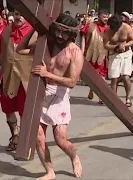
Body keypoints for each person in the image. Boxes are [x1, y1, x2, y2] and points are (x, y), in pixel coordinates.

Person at [16, 13, 83, 179]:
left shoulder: (75, 52)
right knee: (38, 136)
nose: (59, 35)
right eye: (57, 31)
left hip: (59, 96)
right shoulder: (46, 43)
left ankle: (74, 157)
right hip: (41, 92)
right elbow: (20, 49)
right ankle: (50, 171)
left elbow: (72, 82)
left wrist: (48, 74)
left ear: (72, 34)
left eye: (64, 32)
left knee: (60, 139)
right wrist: (34, 27)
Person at [0, 10, 35, 151]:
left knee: (25, 111)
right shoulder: (6, 31)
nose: (19, 16)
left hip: (26, 79)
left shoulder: (35, 32)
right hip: (8, 76)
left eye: (22, 14)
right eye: (16, 13)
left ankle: (23, 139)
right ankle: (15, 134)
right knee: (8, 108)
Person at [103, 14, 133, 107]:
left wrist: (124, 45)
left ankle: (128, 97)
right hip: (114, 54)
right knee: (114, 78)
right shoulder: (108, 31)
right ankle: (114, 99)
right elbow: (105, 45)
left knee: (126, 77)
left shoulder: (127, 28)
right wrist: (115, 47)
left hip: (126, 54)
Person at [80, 9, 109, 104]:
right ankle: (92, 89)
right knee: (91, 76)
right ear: (99, 16)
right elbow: (83, 37)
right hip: (90, 53)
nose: (106, 18)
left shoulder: (108, 28)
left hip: (102, 55)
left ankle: (102, 97)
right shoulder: (91, 25)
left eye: (107, 16)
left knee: (101, 77)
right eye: (104, 16)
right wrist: (81, 50)